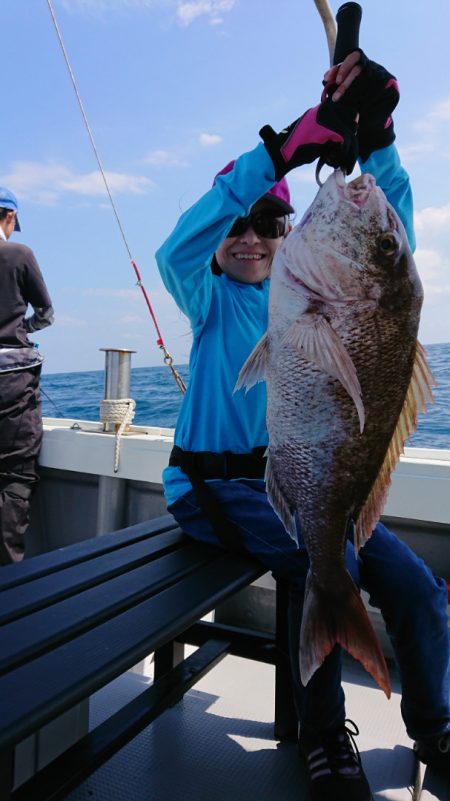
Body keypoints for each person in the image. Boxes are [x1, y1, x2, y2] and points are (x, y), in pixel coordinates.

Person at [156, 51, 450, 800]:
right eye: (240, 224)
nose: (252, 236)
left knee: (417, 589)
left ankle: (435, 726)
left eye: (269, 219)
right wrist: (277, 153)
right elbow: (180, 243)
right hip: (215, 489)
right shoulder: (208, 297)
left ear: (291, 227)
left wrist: (376, 137)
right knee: (331, 568)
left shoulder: (329, 289)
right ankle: (325, 735)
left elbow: (389, 245)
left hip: (316, 479)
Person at [0, 188, 54, 565]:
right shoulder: (19, 255)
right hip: (10, 382)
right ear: (9, 217)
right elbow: (46, 313)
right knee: (13, 479)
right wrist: (24, 329)